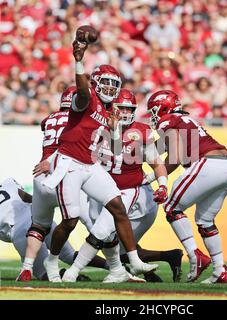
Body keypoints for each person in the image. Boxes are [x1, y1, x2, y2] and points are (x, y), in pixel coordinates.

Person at [41, 38, 157, 282]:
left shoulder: (109, 111)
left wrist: (116, 131)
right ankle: (51, 259)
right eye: (104, 82)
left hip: (90, 166)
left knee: (118, 206)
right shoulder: (87, 98)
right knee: (70, 220)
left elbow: (112, 148)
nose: (109, 87)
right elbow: (83, 91)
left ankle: (134, 261)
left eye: (113, 84)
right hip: (70, 163)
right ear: (95, 82)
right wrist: (79, 62)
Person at [61, 88, 182, 283]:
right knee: (110, 239)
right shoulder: (97, 127)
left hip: (129, 190)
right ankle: (120, 271)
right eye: (121, 108)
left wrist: (161, 184)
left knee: (101, 230)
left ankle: (72, 272)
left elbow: (157, 162)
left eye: (129, 109)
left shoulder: (141, 131)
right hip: (100, 191)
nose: (125, 113)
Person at [146, 90, 227, 284]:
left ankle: (195, 256)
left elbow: (176, 157)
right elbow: (155, 149)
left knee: (171, 207)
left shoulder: (167, 121)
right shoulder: (184, 120)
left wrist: (150, 177)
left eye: (154, 110)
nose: (153, 116)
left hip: (208, 164)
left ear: (163, 107)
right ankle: (220, 270)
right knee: (205, 220)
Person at [17, 86, 102, 281]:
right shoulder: (80, 118)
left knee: (38, 226)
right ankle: (117, 264)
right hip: (65, 172)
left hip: (41, 176)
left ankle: (27, 268)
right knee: (92, 223)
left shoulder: (49, 119)